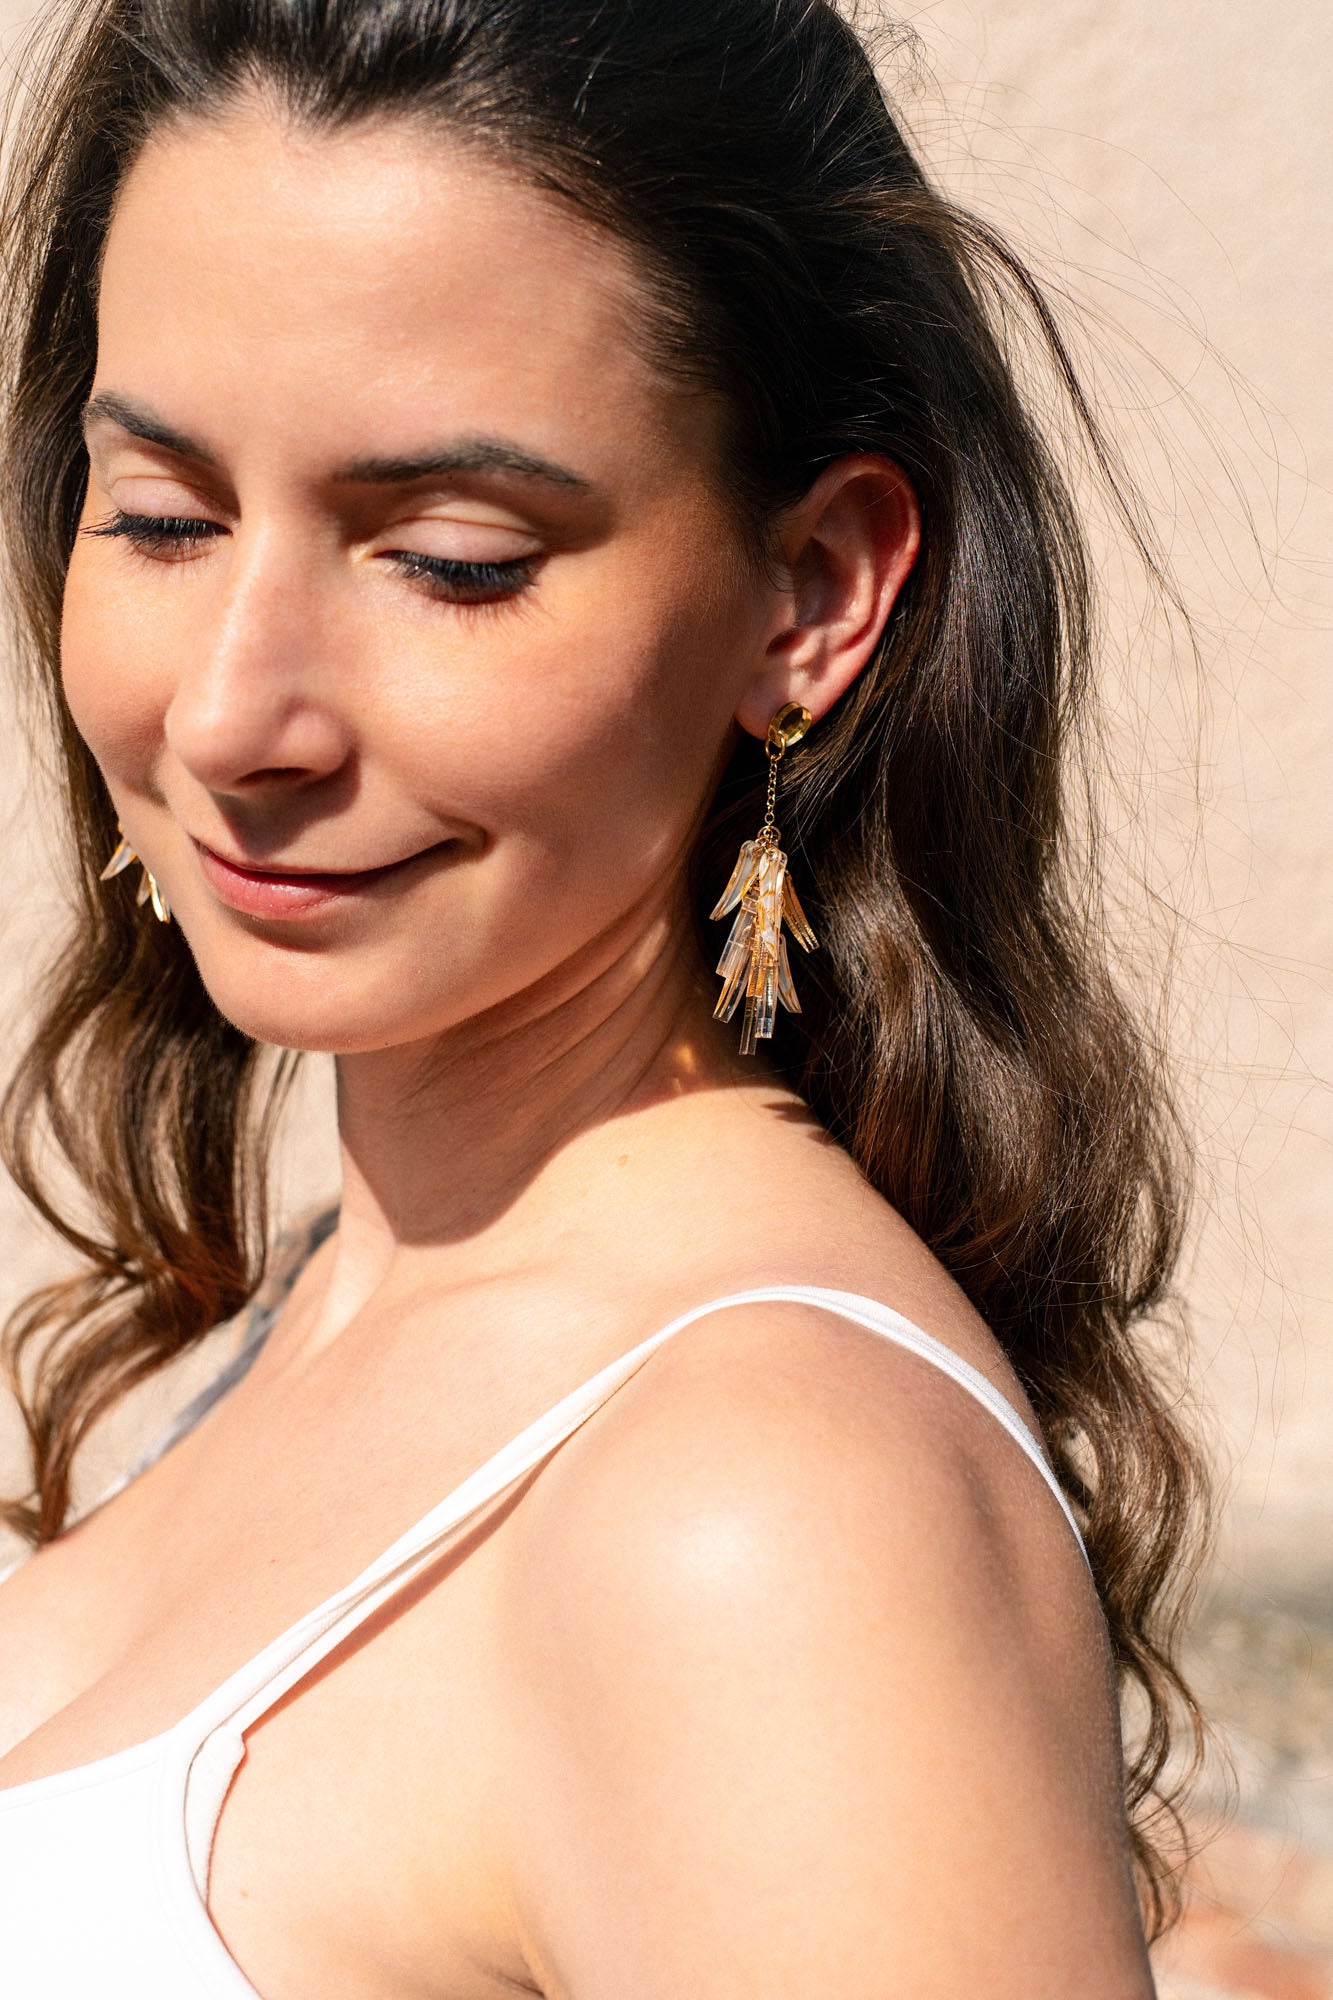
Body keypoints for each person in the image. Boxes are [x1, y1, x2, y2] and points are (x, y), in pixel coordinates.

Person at [0, 1, 1208, 1994]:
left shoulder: (770, 1515)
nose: (229, 712)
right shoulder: (289, 1319)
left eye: (452, 559)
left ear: (811, 592)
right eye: (161, 516)